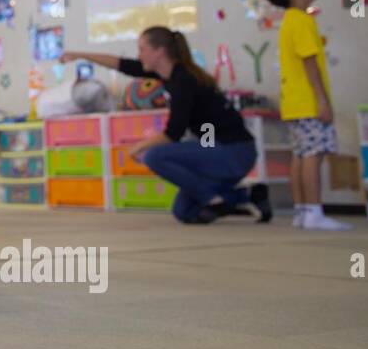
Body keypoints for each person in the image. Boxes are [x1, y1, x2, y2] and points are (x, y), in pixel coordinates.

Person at [62, 28, 270, 225]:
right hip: (212, 146)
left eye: (142, 49)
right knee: (185, 212)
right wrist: (81, 55)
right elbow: (122, 65)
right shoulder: (168, 75)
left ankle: (213, 198)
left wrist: (139, 147)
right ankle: (247, 195)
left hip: (232, 151)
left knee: (154, 156)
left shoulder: (183, 81)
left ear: (159, 52)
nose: (139, 55)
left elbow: (173, 133)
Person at [263, 0, 351, 230]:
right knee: (314, 154)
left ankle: (302, 212)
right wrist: (322, 101)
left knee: (301, 156)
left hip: (293, 102)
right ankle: (314, 211)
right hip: (308, 101)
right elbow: (309, 63)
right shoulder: (301, 21)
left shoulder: (289, 20)